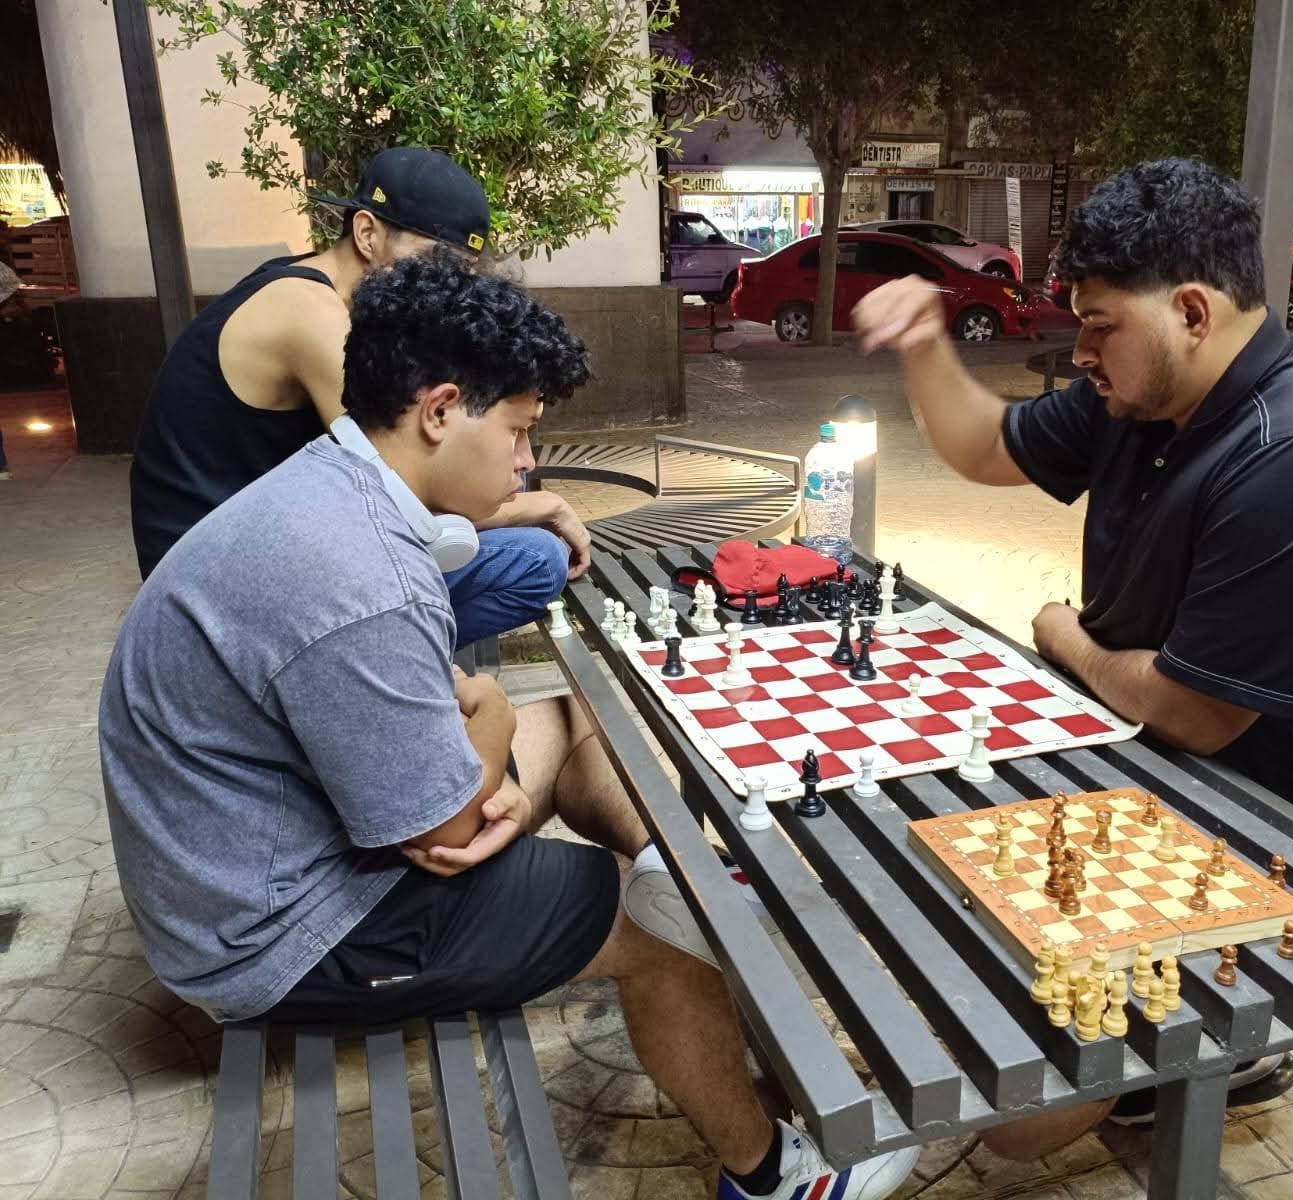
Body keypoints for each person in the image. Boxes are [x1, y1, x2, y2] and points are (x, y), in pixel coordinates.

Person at [99, 251, 918, 1200]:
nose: (529, 461)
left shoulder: (331, 488)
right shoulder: (361, 572)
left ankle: (678, 867)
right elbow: (446, 832)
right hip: (278, 931)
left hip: (259, 847)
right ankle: (774, 1175)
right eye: (521, 430)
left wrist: (485, 764)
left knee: (566, 716)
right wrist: (485, 728)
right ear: (440, 410)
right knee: (661, 930)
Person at [854, 157, 1293, 1132]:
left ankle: (1224, 1052)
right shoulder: (1142, 396)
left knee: (1019, 1122)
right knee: (900, 853)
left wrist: (1063, 637)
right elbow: (985, 445)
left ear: (1191, 312)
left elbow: (1196, 714)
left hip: (1258, 843)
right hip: (1133, 776)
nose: (1081, 352)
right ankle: (1139, 1048)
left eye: (1099, 324)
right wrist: (925, 342)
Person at [128, 146, 586, 648]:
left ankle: (398, 659)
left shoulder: (315, 290)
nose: (448, 285)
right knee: (536, 558)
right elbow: (401, 490)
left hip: (240, 558)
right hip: (227, 590)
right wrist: (543, 505)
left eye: (465, 271)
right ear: (367, 233)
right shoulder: (310, 314)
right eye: (437, 262)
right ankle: (393, 663)